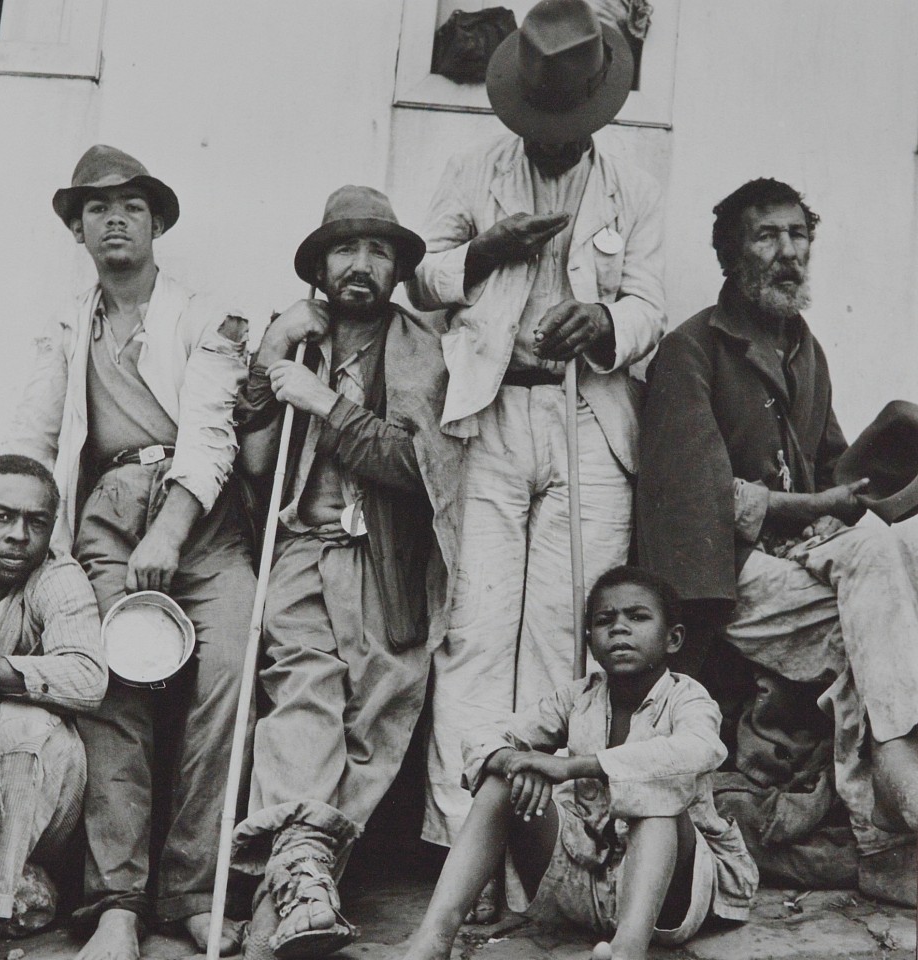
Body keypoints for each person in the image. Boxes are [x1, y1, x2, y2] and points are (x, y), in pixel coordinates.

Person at [406, 0, 667, 887]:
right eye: (542, 129)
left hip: (589, 423)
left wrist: (604, 319)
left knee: (565, 630)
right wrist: (483, 252)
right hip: (492, 415)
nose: (556, 144)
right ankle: (464, 858)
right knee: (479, 631)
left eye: (572, 130)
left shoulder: (631, 185)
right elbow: (423, 277)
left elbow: (649, 306)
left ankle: (545, 857)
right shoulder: (474, 167)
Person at [5, 145, 257, 958]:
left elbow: (213, 431)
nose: (115, 219)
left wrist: (171, 531)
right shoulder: (66, 326)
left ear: (155, 223)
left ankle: (194, 893)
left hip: (200, 515)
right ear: (78, 229)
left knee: (228, 672)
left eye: (132, 206)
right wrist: (14, 525)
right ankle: (116, 902)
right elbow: (35, 437)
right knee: (114, 681)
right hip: (109, 518)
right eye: (97, 208)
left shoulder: (204, 314)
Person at [637, 178, 918, 904]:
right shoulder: (689, 350)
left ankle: (884, 821)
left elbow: (836, 465)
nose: (788, 253)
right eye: (768, 236)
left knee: (898, 565)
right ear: (730, 253)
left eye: (799, 236)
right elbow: (705, 499)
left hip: (799, 569)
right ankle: (892, 800)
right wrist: (816, 508)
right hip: (728, 581)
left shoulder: (803, 345)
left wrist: (870, 495)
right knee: (876, 598)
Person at [229, 185, 464, 959]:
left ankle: (296, 886)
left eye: (378, 251)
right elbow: (256, 462)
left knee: (375, 721)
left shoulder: (421, 345)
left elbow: (415, 465)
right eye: (345, 249)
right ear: (320, 264)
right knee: (301, 692)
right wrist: (271, 361)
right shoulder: (296, 338)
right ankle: (299, 882)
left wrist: (325, 404)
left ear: (397, 267)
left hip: (385, 562)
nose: (361, 265)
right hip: (300, 547)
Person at [400, 566, 757, 960]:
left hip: (671, 892)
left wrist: (573, 767)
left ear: (673, 639)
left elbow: (698, 749)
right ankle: (434, 938)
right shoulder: (576, 697)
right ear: (590, 642)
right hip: (582, 881)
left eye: (637, 617)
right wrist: (517, 762)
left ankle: (627, 950)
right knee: (502, 780)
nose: (619, 628)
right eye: (605, 620)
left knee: (654, 799)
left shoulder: (689, 698)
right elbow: (484, 737)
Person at [0, 456, 106, 958]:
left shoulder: (58, 580)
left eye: (36, 522)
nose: (18, 535)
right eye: (2, 517)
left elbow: (87, 677)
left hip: (40, 801)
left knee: (22, 725)